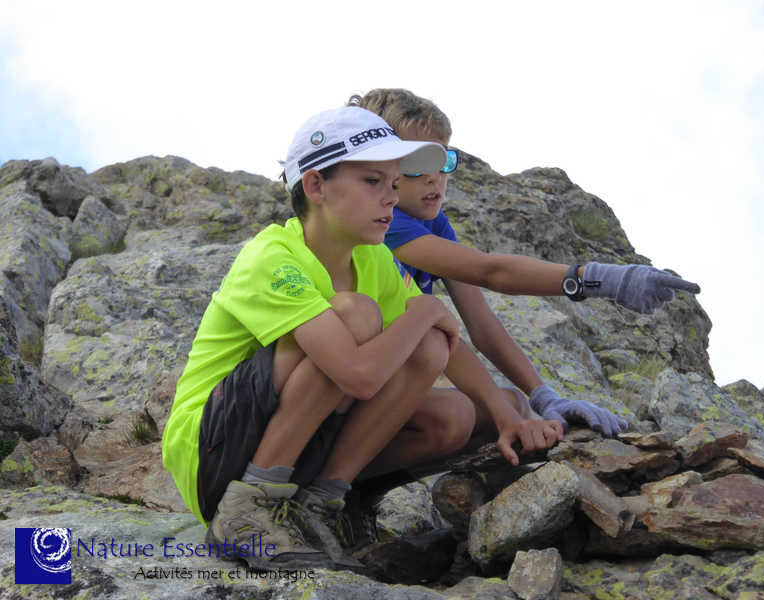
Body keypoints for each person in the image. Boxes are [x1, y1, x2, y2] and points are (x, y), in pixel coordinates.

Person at [162, 105, 463, 572]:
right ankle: (246, 509)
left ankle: (320, 505)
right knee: (356, 317)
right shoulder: (271, 254)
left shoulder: (373, 257)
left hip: (293, 433)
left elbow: (435, 346)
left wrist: (514, 413)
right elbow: (359, 376)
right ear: (316, 186)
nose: (391, 197)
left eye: (393, 182)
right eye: (373, 181)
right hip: (210, 450)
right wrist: (424, 310)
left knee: (448, 399)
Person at [351, 88, 701, 446]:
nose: (435, 176)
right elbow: (490, 272)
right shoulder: (385, 223)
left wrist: (545, 397)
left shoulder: (433, 223)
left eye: (444, 160)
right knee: (452, 407)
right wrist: (598, 279)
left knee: (515, 405)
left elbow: (482, 324)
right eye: (416, 163)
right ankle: (343, 472)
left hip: (386, 380)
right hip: (352, 379)